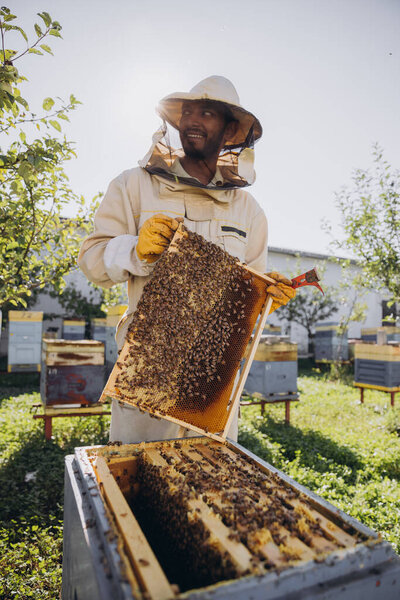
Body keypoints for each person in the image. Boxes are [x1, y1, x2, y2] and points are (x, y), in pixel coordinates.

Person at [78, 75, 295, 444]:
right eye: (187, 112)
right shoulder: (133, 184)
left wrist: (266, 299)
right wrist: (134, 249)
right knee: (135, 487)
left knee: (205, 491)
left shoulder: (249, 211)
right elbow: (92, 260)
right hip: (147, 374)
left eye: (207, 113)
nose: (192, 120)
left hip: (211, 389)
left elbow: (251, 295)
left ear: (230, 131)